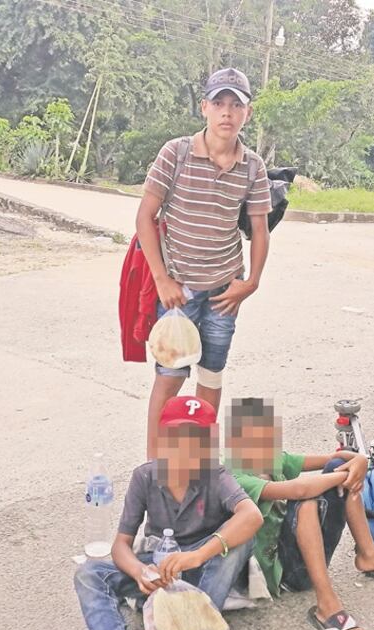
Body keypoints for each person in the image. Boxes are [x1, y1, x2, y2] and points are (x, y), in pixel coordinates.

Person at [136, 68, 273, 458]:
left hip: (224, 291)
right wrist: (161, 278)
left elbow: (260, 230)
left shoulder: (253, 167)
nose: (226, 113)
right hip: (178, 290)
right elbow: (145, 217)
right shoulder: (175, 153)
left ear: (248, 113)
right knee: (169, 376)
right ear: (204, 108)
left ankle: (199, 462)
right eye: (218, 104)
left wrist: (252, 282)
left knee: (211, 374)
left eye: (236, 105)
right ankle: (154, 464)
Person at [225, 398, 374, 630]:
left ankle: (369, 555)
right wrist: (350, 474)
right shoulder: (235, 477)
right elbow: (298, 490)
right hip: (284, 575)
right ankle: (326, 603)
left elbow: (334, 458)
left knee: (337, 468)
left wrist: (358, 461)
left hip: (304, 554)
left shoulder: (273, 460)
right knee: (308, 501)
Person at [73, 396, 263, 630]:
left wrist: (197, 555)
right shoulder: (145, 477)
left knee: (238, 541)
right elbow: (120, 546)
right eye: (176, 436)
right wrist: (140, 572)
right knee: (89, 574)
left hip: (206, 570)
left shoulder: (216, 475)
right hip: (161, 568)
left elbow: (251, 516)